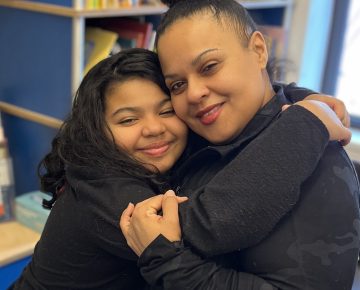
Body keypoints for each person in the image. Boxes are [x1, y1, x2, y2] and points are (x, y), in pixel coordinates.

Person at [11, 47, 349, 289]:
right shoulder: (103, 188)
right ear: (97, 131)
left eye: (166, 111)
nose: (154, 128)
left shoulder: (165, 153)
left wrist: (297, 96)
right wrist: (307, 126)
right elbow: (208, 225)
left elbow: (230, 105)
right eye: (128, 119)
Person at [120, 1, 360, 289]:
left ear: (259, 50)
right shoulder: (201, 133)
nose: (194, 93)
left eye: (209, 67)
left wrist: (170, 263)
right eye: (177, 85)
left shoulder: (315, 157)